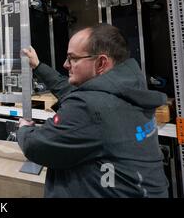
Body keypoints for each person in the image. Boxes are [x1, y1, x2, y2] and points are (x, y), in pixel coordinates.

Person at [18, 23, 169, 197]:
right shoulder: (128, 90)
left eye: (72, 58)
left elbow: (37, 146)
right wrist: (38, 66)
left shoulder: (88, 108)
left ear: (101, 63)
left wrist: (24, 130)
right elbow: (70, 92)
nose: (66, 64)